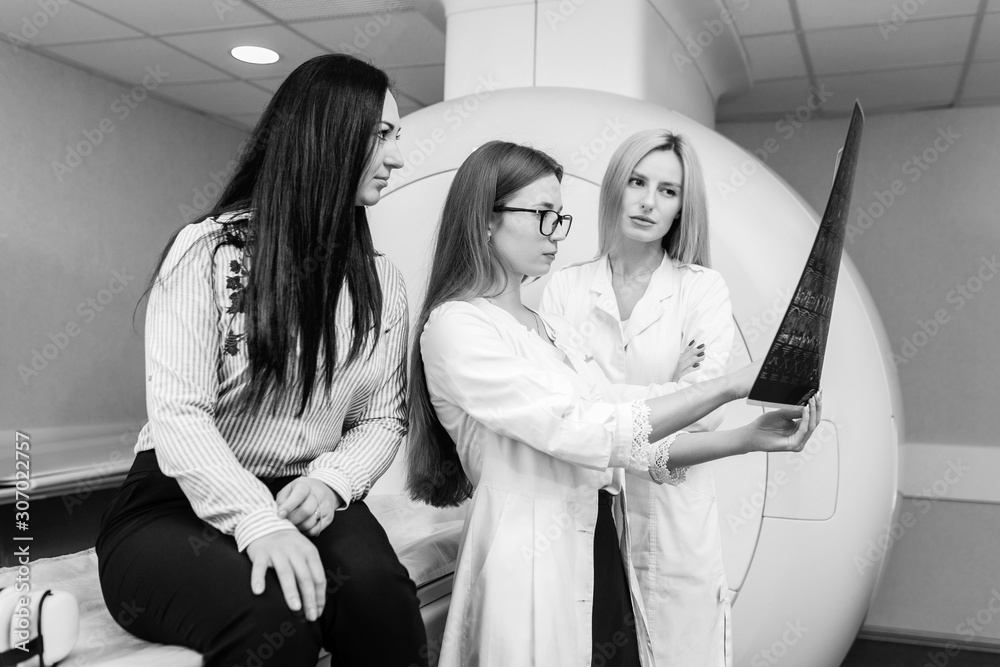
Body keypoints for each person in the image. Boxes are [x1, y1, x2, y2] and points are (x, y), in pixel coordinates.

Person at [406, 140, 821, 666]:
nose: (556, 232)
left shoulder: (549, 328)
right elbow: (582, 428)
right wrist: (729, 384)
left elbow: (621, 416)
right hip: (530, 560)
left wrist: (748, 437)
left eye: (559, 217)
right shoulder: (457, 327)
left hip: (600, 540)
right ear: (485, 219)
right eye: (542, 215)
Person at [95, 54, 429, 667]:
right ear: (326, 134)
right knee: (272, 615)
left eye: (396, 136)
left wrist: (333, 482)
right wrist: (258, 523)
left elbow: (384, 420)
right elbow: (179, 414)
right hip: (175, 502)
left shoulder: (383, 281)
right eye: (382, 135)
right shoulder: (210, 251)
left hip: (305, 490)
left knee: (381, 600)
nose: (398, 157)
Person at [541, 128, 736, 665]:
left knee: (679, 651)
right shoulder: (565, 287)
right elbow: (564, 409)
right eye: (637, 181)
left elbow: (706, 417)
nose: (649, 202)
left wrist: (606, 401)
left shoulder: (702, 288)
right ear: (614, 189)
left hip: (672, 508)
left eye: (668, 191)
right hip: (587, 504)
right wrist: (673, 389)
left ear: (681, 206)